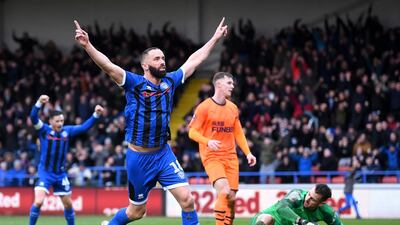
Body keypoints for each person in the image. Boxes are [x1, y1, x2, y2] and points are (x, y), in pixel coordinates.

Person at [74, 17, 228, 225]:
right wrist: (87, 46)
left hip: (163, 154)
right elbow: (109, 67)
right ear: (145, 65)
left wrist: (215, 39)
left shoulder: (170, 81)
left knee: (188, 200)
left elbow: (193, 61)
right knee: (136, 212)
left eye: (163, 58)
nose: (162, 61)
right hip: (139, 159)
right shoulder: (134, 83)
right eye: (157, 59)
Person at [188, 72, 257, 225]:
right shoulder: (204, 107)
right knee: (224, 192)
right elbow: (192, 132)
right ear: (218, 84)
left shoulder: (233, 108)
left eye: (232, 84)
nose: (232, 86)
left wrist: (248, 153)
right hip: (212, 156)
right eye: (229, 83)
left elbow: (238, 132)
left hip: (231, 157)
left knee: (231, 199)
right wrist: (207, 141)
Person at [29, 95, 104, 225]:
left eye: (62, 121)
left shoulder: (66, 131)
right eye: (57, 121)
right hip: (45, 173)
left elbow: (84, 127)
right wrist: (39, 103)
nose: (60, 124)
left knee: (68, 205)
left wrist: (96, 115)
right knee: (39, 201)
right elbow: (33, 118)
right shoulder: (44, 130)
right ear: (51, 121)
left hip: (60, 174)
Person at [251, 184, 343, 225]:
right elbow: (281, 207)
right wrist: (301, 221)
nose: (307, 199)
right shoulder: (297, 194)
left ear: (321, 203)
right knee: (268, 218)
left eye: (313, 199)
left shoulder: (327, 212)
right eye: (308, 194)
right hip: (263, 221)